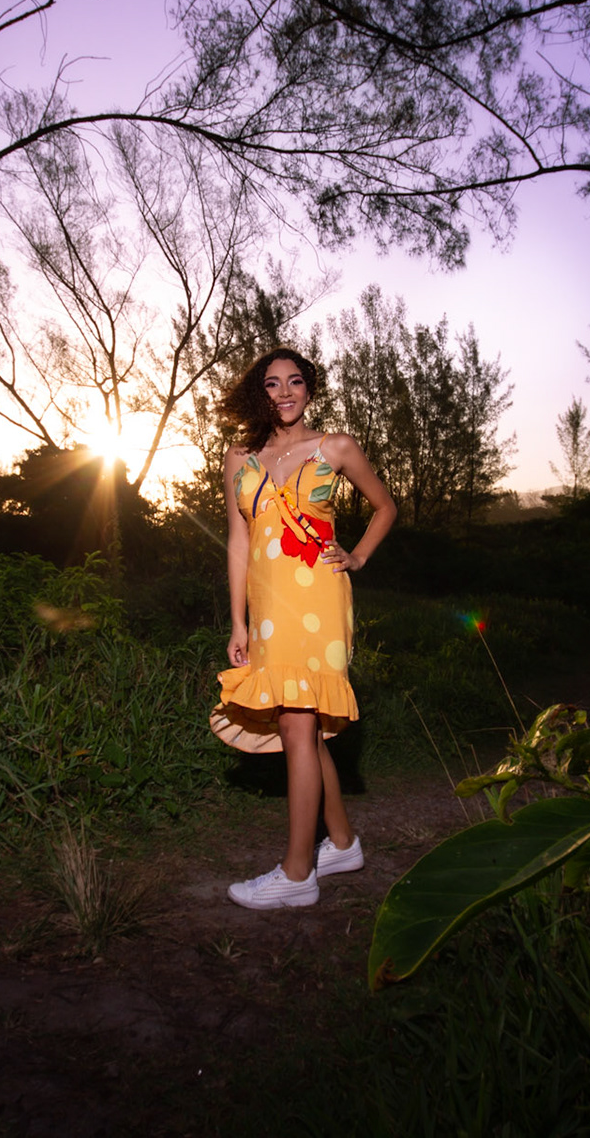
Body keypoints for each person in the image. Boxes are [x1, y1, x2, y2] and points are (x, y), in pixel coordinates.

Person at [212, 348, 397, 908]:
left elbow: (385, 507)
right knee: (304, 728)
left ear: (309, 390)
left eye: (295, 381)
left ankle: (297, 876)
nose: (285, 392)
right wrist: (239, 622)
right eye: (272, 384)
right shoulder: (238, 458)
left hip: (319, 598)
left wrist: (358, 557)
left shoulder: (334, 447)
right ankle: (341, 843)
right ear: (259, 393)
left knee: (297, 724)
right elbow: (239, 541)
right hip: (268, 608)